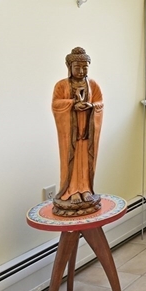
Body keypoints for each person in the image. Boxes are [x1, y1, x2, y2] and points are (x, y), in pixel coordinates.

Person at [51, 47, 104, 216]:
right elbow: (56, 104)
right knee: (71, 159)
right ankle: (72, 190)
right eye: (77, 67)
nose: (81, 71)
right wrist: (72, 104)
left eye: (84, 67)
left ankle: (85, 188)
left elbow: (100, 103)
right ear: (69, 67)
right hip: (71, 131)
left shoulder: (92, 85)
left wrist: (91, 106)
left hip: (87, 129)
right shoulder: (61, 85)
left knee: (85, 158)